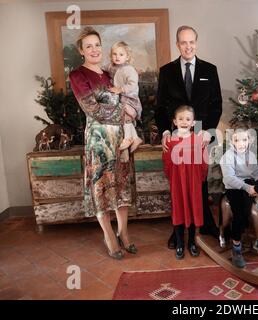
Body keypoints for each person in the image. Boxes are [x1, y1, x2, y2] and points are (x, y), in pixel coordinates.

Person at [69, 27, 137, 260]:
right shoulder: (78, 75)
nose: (94, 49)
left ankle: (124, 233)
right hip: (99, 141)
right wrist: (125, 112)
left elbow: (131, 98)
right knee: (102, 187)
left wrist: (132, 111)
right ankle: (108, 235)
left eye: (97, 44)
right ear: (81, 51)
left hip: (121, 139)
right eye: (88, 46)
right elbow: (94, 109)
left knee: (122, 186)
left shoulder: (111, 73)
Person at [155, 25, 223, 249]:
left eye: (191, 41)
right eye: (183, 42)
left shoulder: (210, 70)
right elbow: (160, 107)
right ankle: (179, 230)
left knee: (200, 182)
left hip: (201, 131)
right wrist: (166, 131)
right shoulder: (166, 71)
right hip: (177, 133)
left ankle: (204, 224)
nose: (188, 46)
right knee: (179, 185)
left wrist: (208, 130)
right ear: (177, 45)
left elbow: (216, 105)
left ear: (197, 42)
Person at [162, 105, 209, 260]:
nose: (184, 121)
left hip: (194, 182)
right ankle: (180, 243)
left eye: (187, 119)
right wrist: (174, 178)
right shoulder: (170, 141)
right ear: (175, 121)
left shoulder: (199, 140)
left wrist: (200, 179)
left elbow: (204, 163)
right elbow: (167, 163)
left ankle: (191, 242)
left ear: (193, 122)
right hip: (177, 183)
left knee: (194, 209)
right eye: (180, 119)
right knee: (179, 210)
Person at [220, 125, 258, 268]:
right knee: (239, 215)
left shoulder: (250, 155)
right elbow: (229, 178)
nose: (242, 143)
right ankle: (236, 247)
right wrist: (247, 188)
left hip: (249, 186)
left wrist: (257, 184)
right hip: (235, 187)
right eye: (237, 140)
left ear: (248, 140)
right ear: (232, 142)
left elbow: (256, 172)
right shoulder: (228, 157)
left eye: (244, 140)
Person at [103, 41, 143, 162]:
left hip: (130, 98)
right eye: (114, 54)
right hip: (121, 98)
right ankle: (135, 138)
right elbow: (101, 69)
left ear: (127, 57)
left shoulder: (129, 69)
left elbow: (132, 84)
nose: (117, 57)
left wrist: (120, 89)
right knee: (123, 118)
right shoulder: (111, 66)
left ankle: (128, 137)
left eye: (121, 54)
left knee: (126, 116)